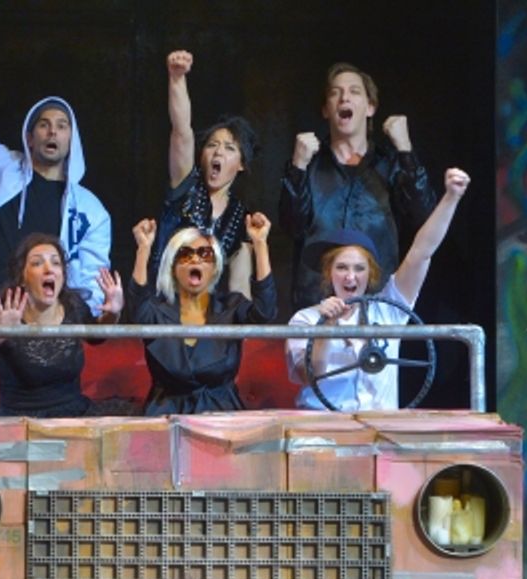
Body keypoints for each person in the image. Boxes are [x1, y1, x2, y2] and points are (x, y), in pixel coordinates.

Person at [0, 14, 111, 314]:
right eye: (44, 125)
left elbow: (92, 282)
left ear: (72, 139)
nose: (52, 131)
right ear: (29, 137)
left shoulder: (89, 210)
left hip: (39, 328)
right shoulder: (0, 167)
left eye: (62, 126)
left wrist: (99, 315)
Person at [286, 168, 470, 411]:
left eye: (359, 268)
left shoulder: (388, 310)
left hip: (378, 431)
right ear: (328, 272)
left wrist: (451, 198)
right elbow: (309, 375)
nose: (350, 276)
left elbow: (421, 253)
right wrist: (327, 328)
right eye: (341, 267)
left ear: (370, 274)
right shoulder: (305, 320)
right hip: (322, 431)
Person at [279, 62, 439, 311]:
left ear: (370, 107)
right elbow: (291, 226)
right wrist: (297, 167)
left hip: (378, 302)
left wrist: (406, 150)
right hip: (318, 303)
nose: (344, 97)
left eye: (354, 91)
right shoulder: (309, 165)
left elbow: (424, 218)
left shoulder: (390, 164)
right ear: (325, 109)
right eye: (335, 92)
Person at [0, 232, 123, 417]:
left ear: (63, 275)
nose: (49, 269)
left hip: (73, 416)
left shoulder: (74, 306)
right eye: (37, 263)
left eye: (56, 263)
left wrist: (113, 313)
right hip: (21, 421)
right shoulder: (6, 311)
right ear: (22, 277)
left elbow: (97, 337)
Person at [129, 213, 277, 415]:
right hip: (166, 415)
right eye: (185, 254)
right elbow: (137, 308)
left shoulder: (230, 307)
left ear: (215, 267)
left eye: (205, 254)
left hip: (222, 416)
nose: (195, 259)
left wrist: (260, 244)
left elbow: (265, 313)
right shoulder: (157, 311)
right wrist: (143, 249)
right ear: (173, 267)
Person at [145, 50, 257, 298]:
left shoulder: (242, 217)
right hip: (167, 307)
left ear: (241, 164)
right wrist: (177, 79)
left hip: (210, 315)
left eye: (229, 148)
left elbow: (240, 288)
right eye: (211, 145)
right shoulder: (187, 186)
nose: (218, 152)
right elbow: (182, 132)